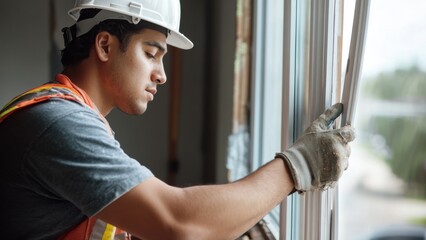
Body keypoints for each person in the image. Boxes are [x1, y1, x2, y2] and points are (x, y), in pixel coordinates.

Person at [0, 0, 355, 239]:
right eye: (152, 54)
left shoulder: (72, 116)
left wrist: (231, 222)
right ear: (105, 46)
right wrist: (299, 166)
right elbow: (178, 222)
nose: (162, 75)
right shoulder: (59, 123)